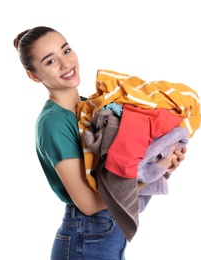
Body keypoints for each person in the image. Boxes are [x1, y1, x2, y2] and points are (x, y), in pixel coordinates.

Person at [13, 26, 187, 260]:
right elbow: (88, 204)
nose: (66, 64)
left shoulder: (94, 108)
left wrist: (163, 159)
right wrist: (154, 172)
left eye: (66, 51)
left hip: (103, 237)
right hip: (85, 240)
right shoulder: (54, 123)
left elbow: (118, 171)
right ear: (34, 75)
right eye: (50, 61)